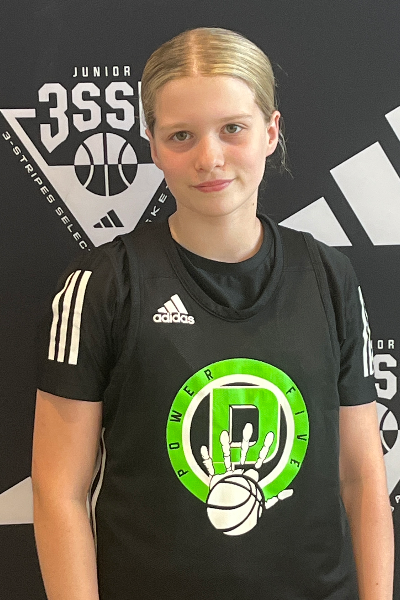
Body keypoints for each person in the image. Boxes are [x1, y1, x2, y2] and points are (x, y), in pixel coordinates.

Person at [32, 27, 394, 600]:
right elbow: (59, 492)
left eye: (233, 128)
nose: (210, 158)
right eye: (181, 135)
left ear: (270, 131)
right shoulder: (103, 284)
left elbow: (363, 477)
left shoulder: (329, 276)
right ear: (152, 145)